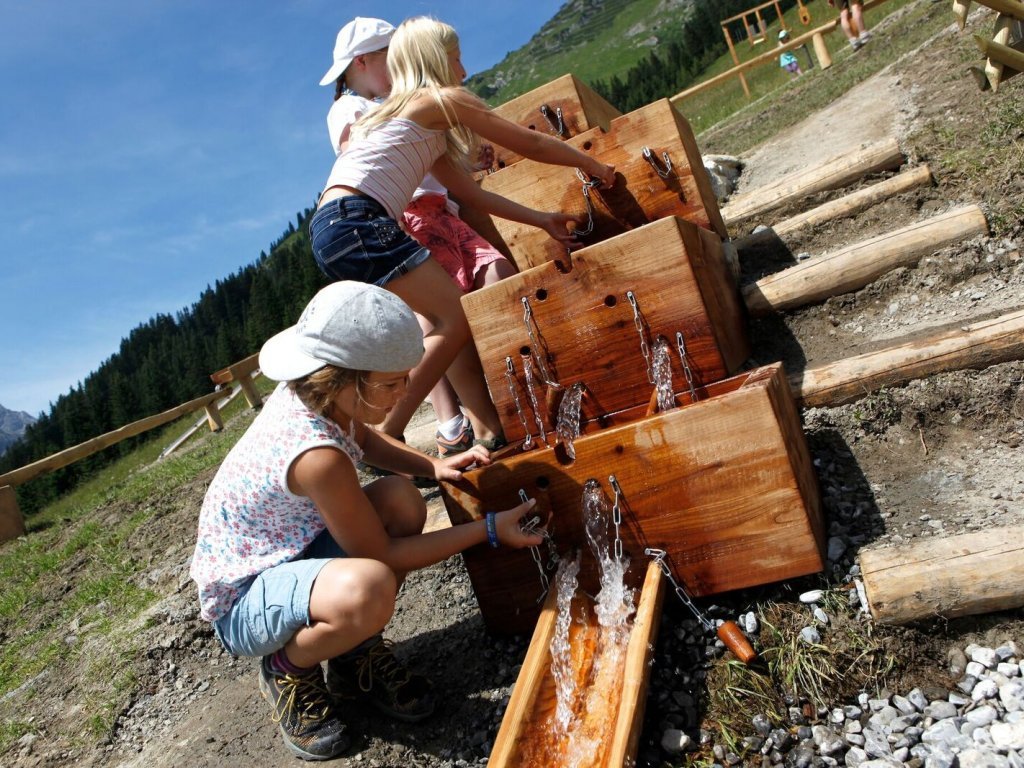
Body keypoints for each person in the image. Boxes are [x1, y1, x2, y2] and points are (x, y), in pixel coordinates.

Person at [189, 281, 544, 761]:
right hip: (244, 596)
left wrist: (432, 466)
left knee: (402, 499)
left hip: (293, 550)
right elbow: (382, 555)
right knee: (369, 588)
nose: (405, 394)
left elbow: (369, 439)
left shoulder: (324, 395)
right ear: (346, 377)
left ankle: (353, 654)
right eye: (393, 383)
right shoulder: (316, 455)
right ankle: (286, 667)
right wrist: (488, 530)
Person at [309, 16, 616, 462]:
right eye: (456, 59)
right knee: (452, 318)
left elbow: (470, 193)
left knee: (446, 318)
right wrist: (594, 167)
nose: (465, 71)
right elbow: (531, 145)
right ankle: (380, 434)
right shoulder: (439, 100)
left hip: (334, 226)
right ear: (436, 61)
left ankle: (388, 432)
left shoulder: (417, 126)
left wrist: (540, 219)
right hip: (358, 219)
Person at [322, 17, 518, 457]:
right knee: (447, 319)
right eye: (394, 58)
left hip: (435, 211)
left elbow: (430, 160)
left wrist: (463, 157)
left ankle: (488, 416)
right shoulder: (351, 109)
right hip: (406, 216)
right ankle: (432, 426)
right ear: (363, 62)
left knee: (465, 304)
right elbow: (380, 152)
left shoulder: (395, 104)